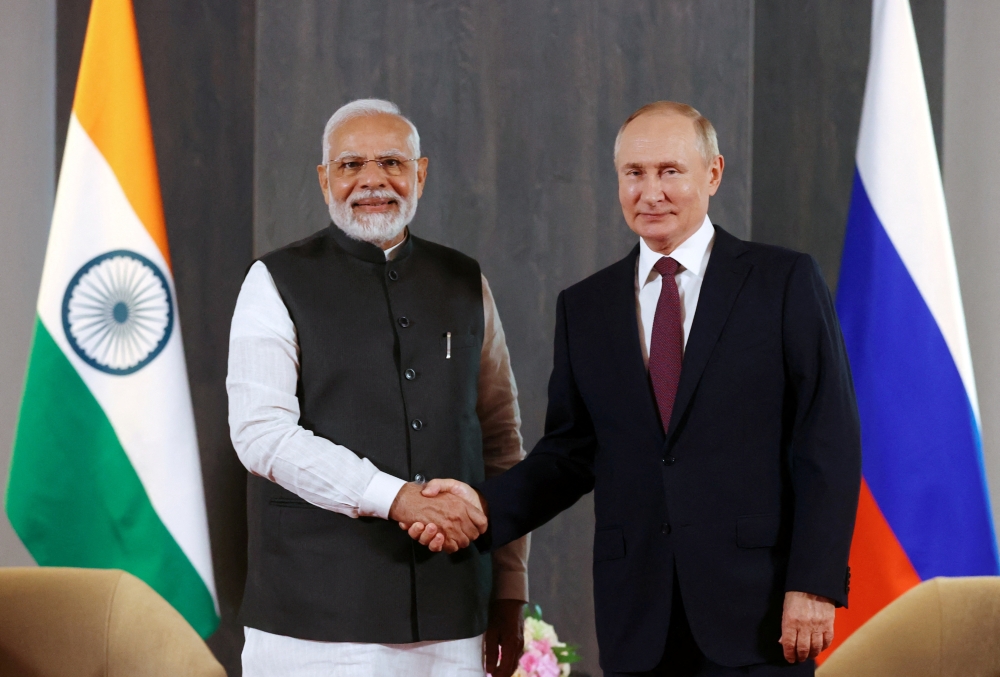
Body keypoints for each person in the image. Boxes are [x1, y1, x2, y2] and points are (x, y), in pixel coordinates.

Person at [407, 101, 862, 676]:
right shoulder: (585, 306)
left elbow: (828, 438)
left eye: (670, 171)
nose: (651, 193)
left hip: (760, 613)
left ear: (713, 173)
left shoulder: (783, 282)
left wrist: (814, 583)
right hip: (639, 619)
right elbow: (569, 453)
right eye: (634, 173)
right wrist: (482, 507)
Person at [227, 98, 529, 677]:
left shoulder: (465, 280)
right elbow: (261, 435)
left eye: (392, 162)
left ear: (420, 175)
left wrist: (509, 590)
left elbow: (500, 442)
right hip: (314, 620)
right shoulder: (274, 280)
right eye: (351, 165)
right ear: (325, 180)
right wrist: (396, 497)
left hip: (454, 617)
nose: (372, 180)